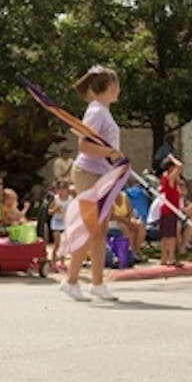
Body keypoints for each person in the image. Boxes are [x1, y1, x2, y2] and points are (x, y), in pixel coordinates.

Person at [60, 65, 126, 302]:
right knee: (91, 227)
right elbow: (84, 145)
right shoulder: (96, 111)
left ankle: (97, 283)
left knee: (100, 230)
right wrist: (111, 152)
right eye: (117, 85)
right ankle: (71, 279)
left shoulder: (102, 111)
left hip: (103, 173)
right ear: (111, 86)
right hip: (90, 172)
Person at [157, 157, 185, 266]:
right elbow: (180, 166)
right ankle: (171, 258)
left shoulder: (165, 178)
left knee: (165, 235)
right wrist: (172, 158)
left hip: (166, 210)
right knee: (171, 235)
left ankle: (164, 258)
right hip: (170, 210)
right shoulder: (169, 179)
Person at [47, 181, 72, 265]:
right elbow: (49, 212)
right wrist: (55, 210)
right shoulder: (55, 199)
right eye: (59, 188)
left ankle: (62, 262)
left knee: (64, 244)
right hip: (56, 222)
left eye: (63, 188)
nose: (61, 190)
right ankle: (53, 261)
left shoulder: (70, 199)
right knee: (57, 242)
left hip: (66, 223)